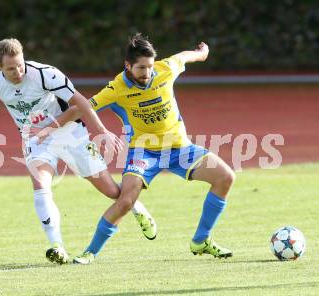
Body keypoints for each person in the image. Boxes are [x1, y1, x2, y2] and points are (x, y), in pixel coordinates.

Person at [0, 38, 157, 265]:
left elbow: (79, 102)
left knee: (110, 191)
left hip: (70, 133)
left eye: (20, 65)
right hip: (35, 139)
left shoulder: (44, 74)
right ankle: (57, 246)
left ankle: (134, 205)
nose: (18, 71)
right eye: (10, 68)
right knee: (41, 184)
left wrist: (102, 130)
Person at [70, 33, 235, 264]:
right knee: (126, 201)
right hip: (144, 152)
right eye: (140, 68)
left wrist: (201, 54)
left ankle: (201, 240)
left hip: (180, 148)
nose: (147, 74)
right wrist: (55, 124)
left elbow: (184, 57)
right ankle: (90, 252)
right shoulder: (117, 87)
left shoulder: (165, 69)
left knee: (225, 177)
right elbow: (86, 106)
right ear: (127, 66)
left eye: (149, 67)